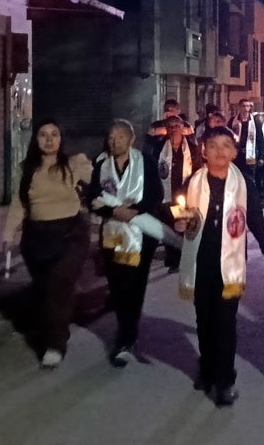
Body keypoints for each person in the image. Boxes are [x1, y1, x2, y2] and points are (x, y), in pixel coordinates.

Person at [176, 127, 264, 406]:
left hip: (231, 265)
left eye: (227, 146)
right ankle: (207, 368)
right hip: (201, 262)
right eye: (214, 146)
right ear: (204, 151)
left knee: (225, 323)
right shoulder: (192, 182)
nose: (220, 151)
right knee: (204, 320)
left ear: (235, 152)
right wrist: (178, 224)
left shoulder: (243, 183)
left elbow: (256, 219)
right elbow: (180, 216)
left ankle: (225, 380)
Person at [4, 119, 94, 369]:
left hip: (71, 237)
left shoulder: (74, 164)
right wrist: (8, 235)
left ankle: (54, 345)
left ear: (62, 139)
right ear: (36, 139)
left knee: (58, 285)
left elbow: (100, 180)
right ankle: (57, 328)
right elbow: (19, 203)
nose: (49, 139)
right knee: (45, 291)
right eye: (43, 134)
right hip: (37, 239)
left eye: (55, 134)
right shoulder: (27, 169)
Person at [88, 119, 168, 366]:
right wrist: (113, 213)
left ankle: (126, 337)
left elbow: (157, 194)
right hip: (112, 234)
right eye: (111, 137)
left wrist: (133, 211)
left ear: (131, 139)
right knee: (118, 286)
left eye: (120, 137)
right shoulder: (100, 163)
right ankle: (125, 328)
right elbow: (92, 196)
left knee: (134, 286)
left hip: (141, 235)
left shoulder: (145, 161)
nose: (114, 141)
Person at [154, 116, 199, 272]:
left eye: (176, 126)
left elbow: (197, 171)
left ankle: (184, 256)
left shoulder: (192, 148)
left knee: (183, 227)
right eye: (170, 127)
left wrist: (188, 188)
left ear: (182, 128)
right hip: (166, 195)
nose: (173, 129)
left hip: (185, 195)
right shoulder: (159, 147)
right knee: (168, 228)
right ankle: (172, 259)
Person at [229, 99, 264, 205]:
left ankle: (251, 200)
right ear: (239, 107)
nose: (246, 109)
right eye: (244, 106)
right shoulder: (233, 121)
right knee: (237, 178)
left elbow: (260, 140)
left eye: (248, 106)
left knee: (250, 179)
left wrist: (262, 157)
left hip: (250, 155)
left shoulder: (255, 123)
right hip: (237, 156)